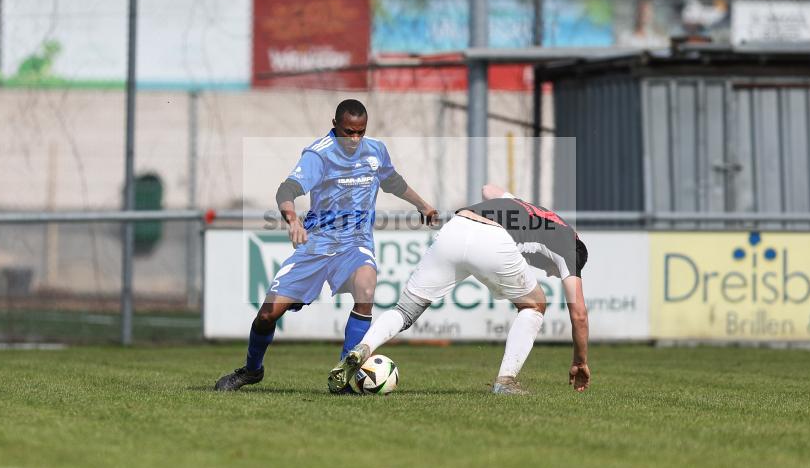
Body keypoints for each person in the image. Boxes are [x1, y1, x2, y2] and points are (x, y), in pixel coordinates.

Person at [215, 99, 438, 391]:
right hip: (317, 243)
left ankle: (345, 372)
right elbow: (288, 189)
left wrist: (423, 205)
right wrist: (293, 220)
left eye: (360, 132)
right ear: (335, 125)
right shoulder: (318, 155)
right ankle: (252, 370)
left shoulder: (376, 151)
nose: (355, 139)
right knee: (268, 314)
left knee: (366, 284)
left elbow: (392, 181)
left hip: (355, 242)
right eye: (349, 132)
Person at [328, 184, 590, 395]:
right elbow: (578, 314)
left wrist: (517, 203)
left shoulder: (535, 212)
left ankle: (363, 347)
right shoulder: (568, 244)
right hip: (491, 240)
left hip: (456, 228)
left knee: (405, 310)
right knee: (534, 305)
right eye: (553, 270)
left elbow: (488, 189)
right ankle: (506, 381)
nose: (547, 272)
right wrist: (580, 361)